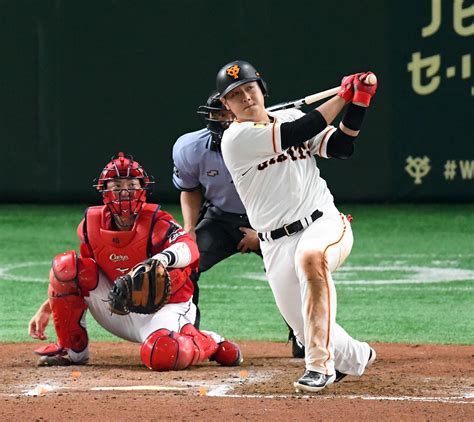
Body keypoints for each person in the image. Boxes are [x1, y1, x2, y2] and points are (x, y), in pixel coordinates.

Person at [215, 60, 377, 392]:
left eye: (249, 88)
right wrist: (345, 96)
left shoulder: (290, 117)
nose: (246, 97)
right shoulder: (236, 138)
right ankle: (359, 355)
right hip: (274, 243)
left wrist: (359, 103)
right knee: (307, 328)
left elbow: (342, 146)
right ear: (226, 106)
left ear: (262, 89)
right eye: (236, 94)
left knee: (311, 257)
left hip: (323, 223)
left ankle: (319, 367)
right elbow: (296, 134)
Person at [28, 152, 242, 370]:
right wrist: (49, 307)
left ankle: (208, 341)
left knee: (164, 355)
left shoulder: (157, 221)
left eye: (131, 185)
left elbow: (189, 248)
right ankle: (72, 350)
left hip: (165, 308)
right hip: (117, 305)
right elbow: (80, 277)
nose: (124, 192)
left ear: (142, 189)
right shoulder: (90, 224)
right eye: (117, 186)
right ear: (104, 191)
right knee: (66, 266)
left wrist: (160, 260)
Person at [172, 92, 305, 358]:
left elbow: (289, 189)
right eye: (219, 114)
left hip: (271, 217)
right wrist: (188, 230)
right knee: (186, 266)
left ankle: (303, 335)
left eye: (228, 113)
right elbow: (190, 189)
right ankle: (188, 335)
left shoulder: (271, 139)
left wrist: (264, 234)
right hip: (220, 218)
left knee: (292, 268)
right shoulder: (190, 148)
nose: (224, 119)